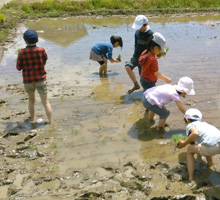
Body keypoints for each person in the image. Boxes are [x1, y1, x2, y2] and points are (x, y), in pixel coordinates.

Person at [16, 29, 53, 125]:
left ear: (25, 41)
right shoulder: (41, 50)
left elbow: (18, 68)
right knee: (45, 102)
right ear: (37, 40)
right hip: (40, 78)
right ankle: (51, 122)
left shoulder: (21, 53)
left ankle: (32, 120)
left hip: (28, 80)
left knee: (31, 100)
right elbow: (44, 60)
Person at [177, 108, 220, 181]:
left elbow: (195, 133)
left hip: (213, 147)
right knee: (204, 144)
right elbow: (196, 140)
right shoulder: (204, 124)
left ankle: (191, 177)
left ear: (187, 120)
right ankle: (210, 164)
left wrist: (183, 144)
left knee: (190, 150)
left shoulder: (190, 125)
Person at [125, 15, 154, 94]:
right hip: (136, 56)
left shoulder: (150, 34)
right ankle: (136, 84)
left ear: (146, 24)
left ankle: (148, 93)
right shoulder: (137, 32)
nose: (139, 29)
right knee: (127, 67)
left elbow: (152, 49)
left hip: (144, 59)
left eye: (140, 27)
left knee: (143, 78)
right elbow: (136, 44)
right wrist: (135, 56)